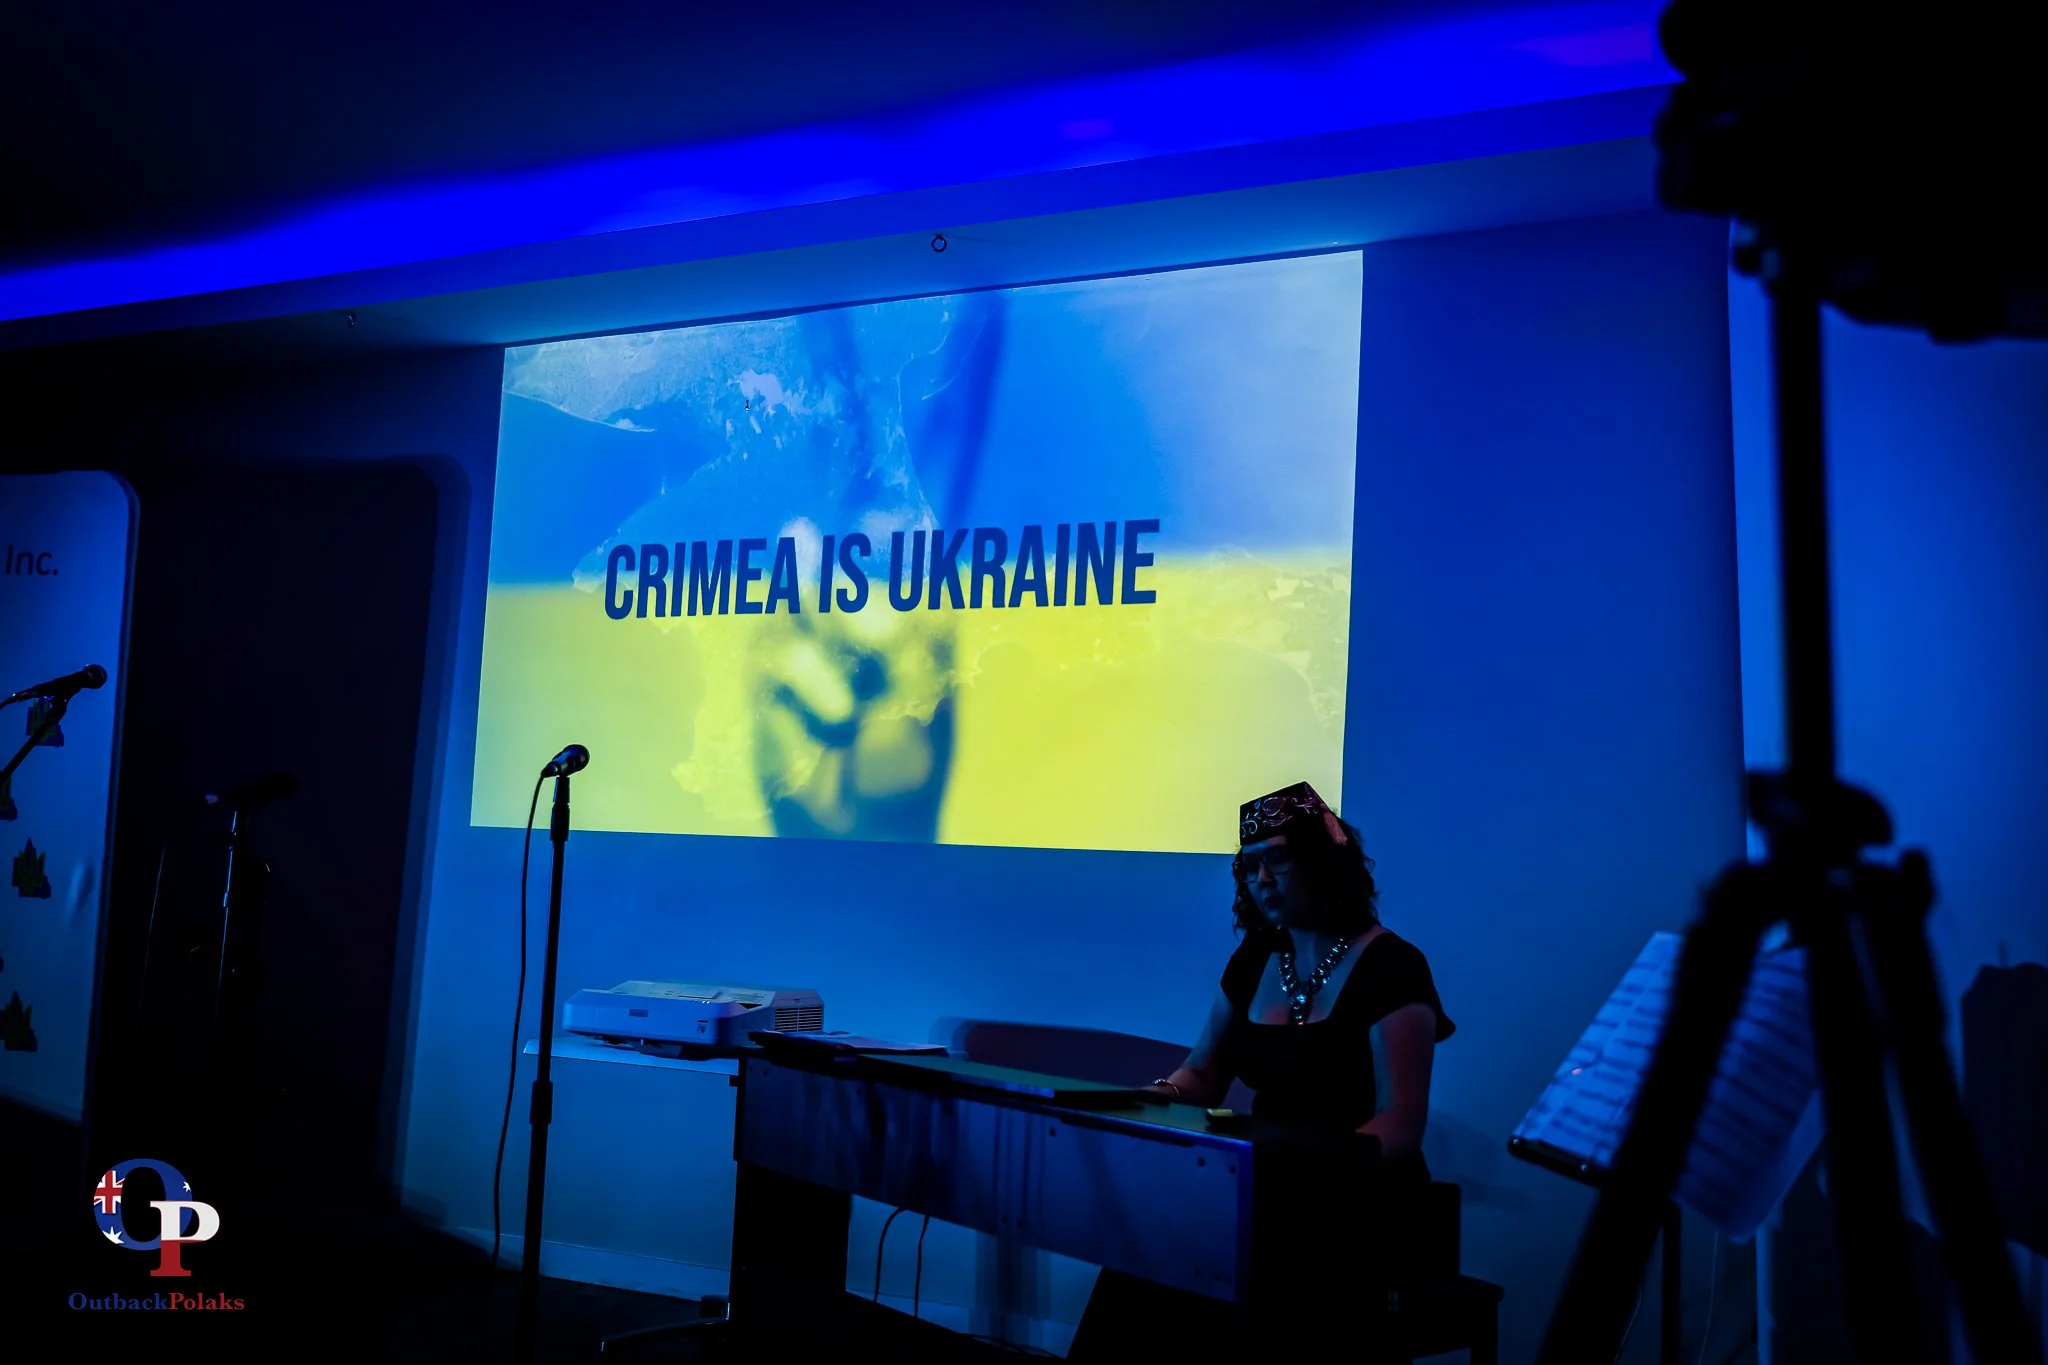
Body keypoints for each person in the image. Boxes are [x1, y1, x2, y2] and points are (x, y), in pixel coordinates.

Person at [1067, 781, 1456, 1359]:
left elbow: (1399, 1124)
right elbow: (1202, 1073)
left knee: (1251, 1268)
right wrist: (1154, 1096)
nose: (1263, 880)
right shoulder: (1253, 960)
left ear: (1325, 864)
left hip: (1358, 1199)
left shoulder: (1393, 965)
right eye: (1250, 867)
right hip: (1268, 1185)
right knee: (1151, 1250)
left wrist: (1305, 1175)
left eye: (1278, 860)